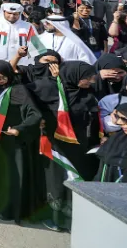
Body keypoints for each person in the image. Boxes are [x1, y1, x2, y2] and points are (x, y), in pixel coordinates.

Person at [27, 61, 100, 232]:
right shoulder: (50, 89)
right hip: (57, 145)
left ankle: (68, 211)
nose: (91, 81)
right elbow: (24, 93)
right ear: (74, 76)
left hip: (79, 146)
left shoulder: (86, 93)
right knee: (56, 181)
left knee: (73, 179)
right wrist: (38, 117)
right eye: (86, 78)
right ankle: (52, 217)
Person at [0, 59, 44, 222]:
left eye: (2, 77)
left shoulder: (19, 90)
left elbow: (35, 115)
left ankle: (11, 210)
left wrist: (19, 128)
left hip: (13, 141)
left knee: (12, 178)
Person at [94, 102, 127, 182]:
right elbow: (102, 173)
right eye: (117, 117)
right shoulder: (116, 140)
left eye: (125, 119)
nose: (119, 122)